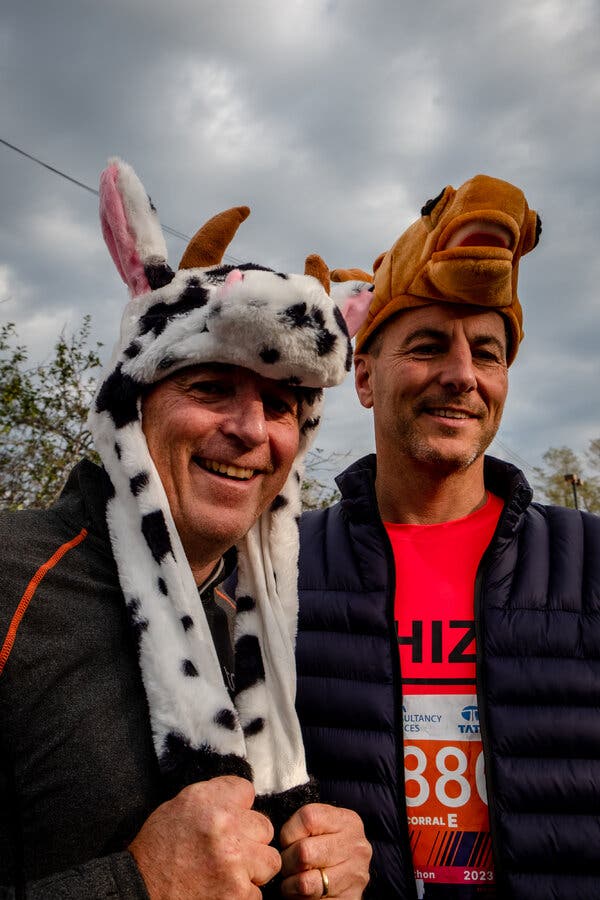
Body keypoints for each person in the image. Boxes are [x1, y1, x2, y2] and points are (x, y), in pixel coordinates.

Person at [0, 158, 372, 899]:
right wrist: (137, 884)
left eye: (280, 406)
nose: (249, 431)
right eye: (210, 388)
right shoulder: (11, 581)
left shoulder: (249, 622)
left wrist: (321, 867)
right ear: (135, 406)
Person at [295, 174, 600, 899]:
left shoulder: (589, 562)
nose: (462, 375)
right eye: (429, 345)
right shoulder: (282, 567)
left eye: (487, 353)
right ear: (363, 377)